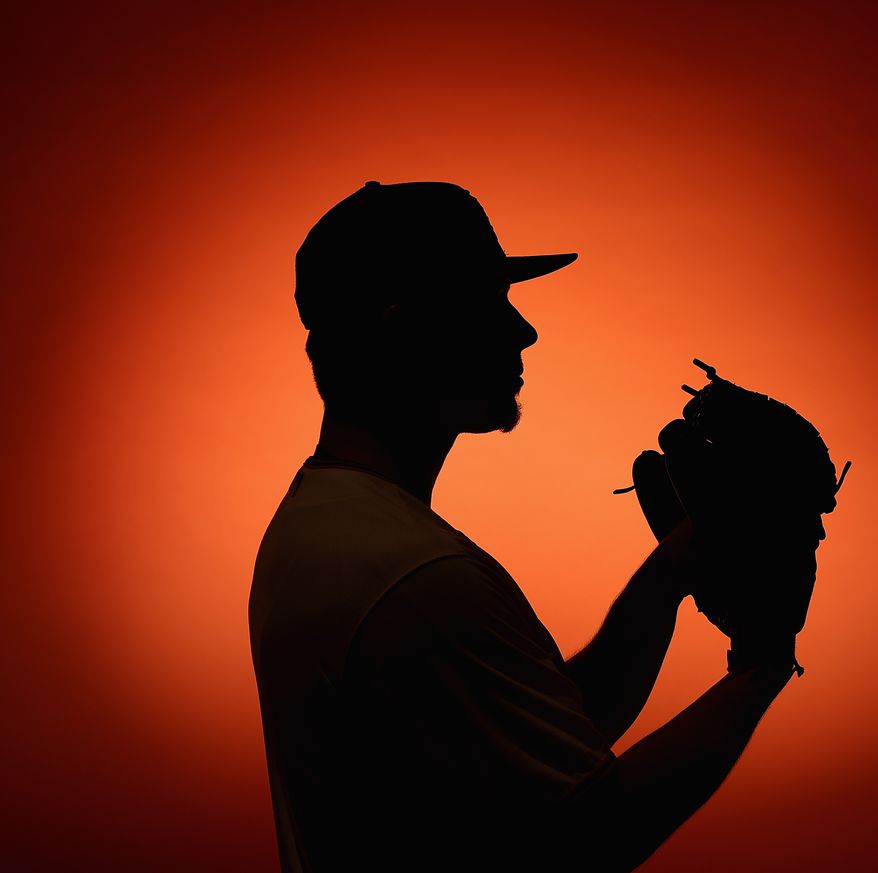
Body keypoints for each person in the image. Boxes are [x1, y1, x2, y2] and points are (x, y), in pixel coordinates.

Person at [248, 181, 804, 872]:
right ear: (402, 333)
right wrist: (762, 663)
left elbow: (545, 731)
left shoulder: (323, 525)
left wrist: (672, 570)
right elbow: (592, 833)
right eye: (488, 302)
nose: (524, 330)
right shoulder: (420, 578)